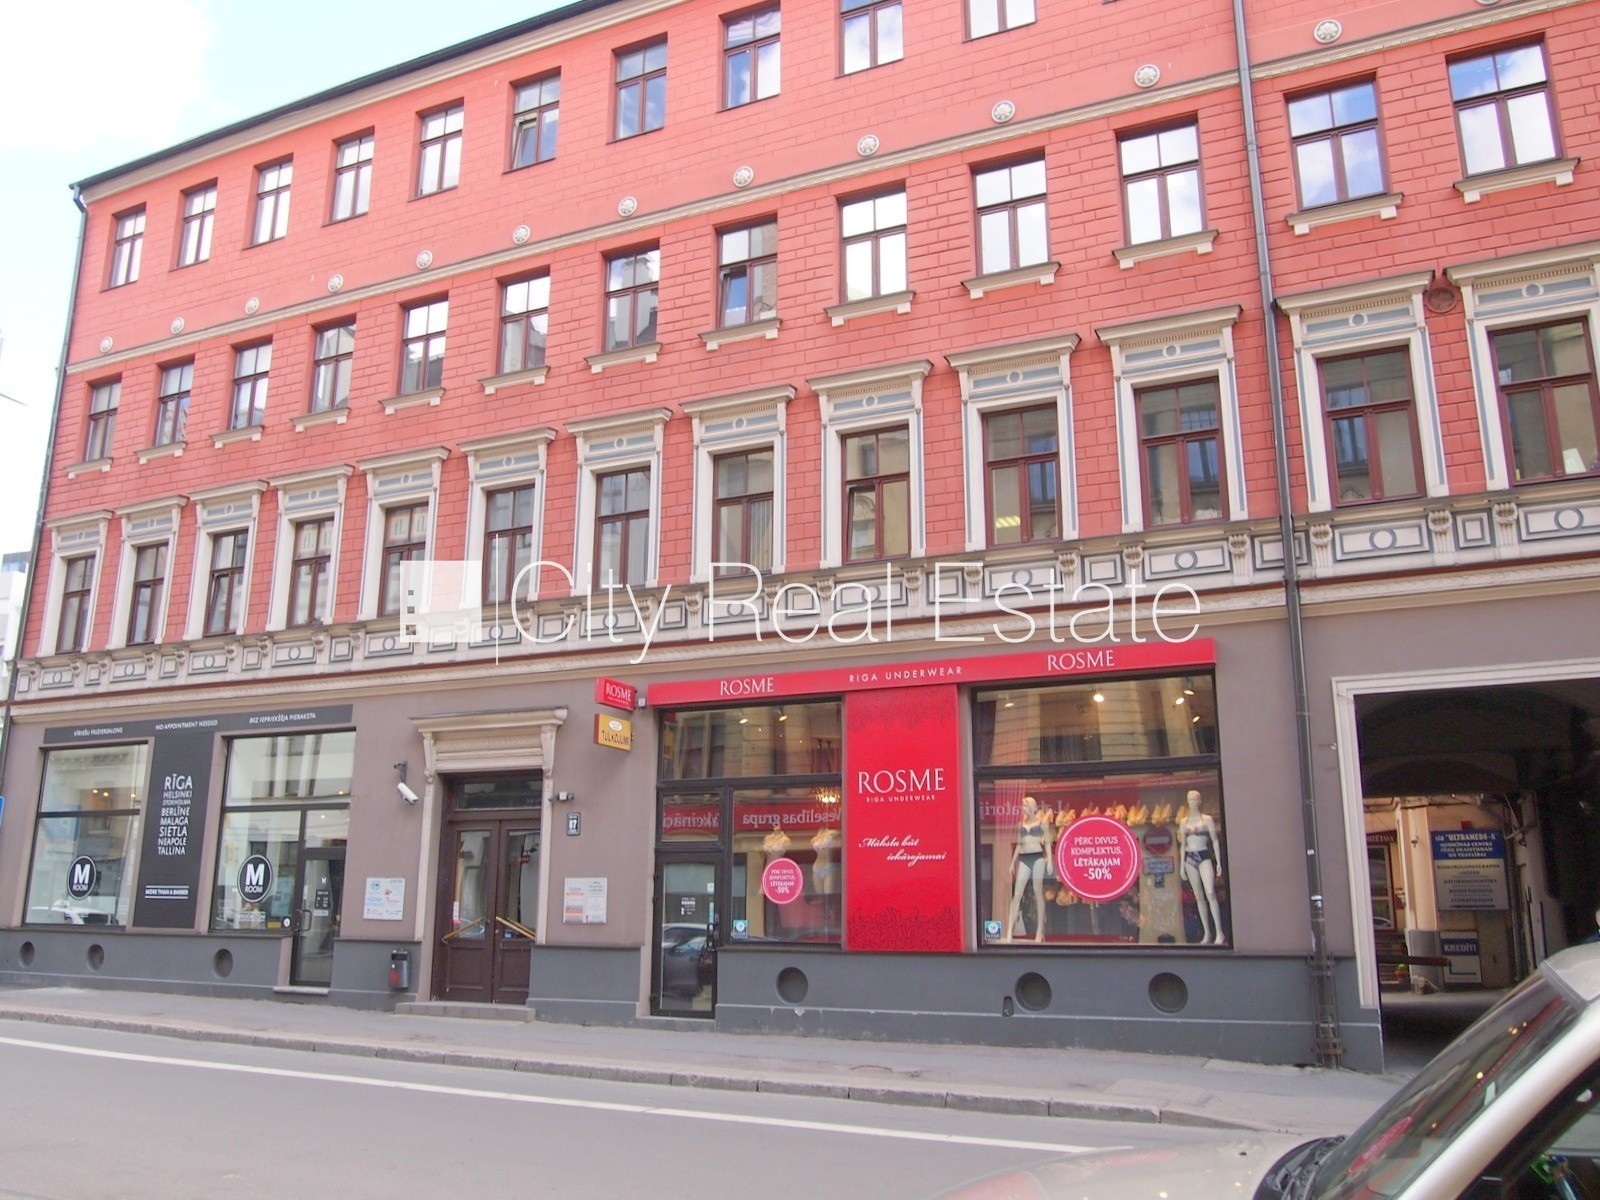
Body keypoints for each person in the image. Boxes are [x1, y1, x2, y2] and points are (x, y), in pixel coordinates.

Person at [1179, 789, 1226, 945]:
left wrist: (1218, 862)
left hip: (1204, 854)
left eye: (1195, 799)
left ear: (1199, 801)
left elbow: (1215, 841)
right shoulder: (1183, 821)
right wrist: (1181, 866)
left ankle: (1219, 932)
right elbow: (1183, 845)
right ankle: (1207, 933)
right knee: (1198, 896)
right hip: (1189, 856)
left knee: (1210, 893)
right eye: (1190, 800)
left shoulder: (1207, 819)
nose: (1192, 802)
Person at [1006, 795, 1053, 943]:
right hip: (1024, 858)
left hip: (1037, 857)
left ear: (1032, 807)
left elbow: (1047, 842)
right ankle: (1009, 929)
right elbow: (1019, 844)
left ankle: (1039, 930)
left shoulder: (1042, 822)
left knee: (1037, 892)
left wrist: (1050, 861)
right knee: (1017, 894)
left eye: (1025, 806)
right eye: (1022, 806)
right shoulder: (1021, 824)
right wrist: (1012, 862)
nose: (1023, 808)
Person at [811, 827, 838, 895]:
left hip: (828, 867)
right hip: (816, 867)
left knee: (828, 894)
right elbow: (812, 843)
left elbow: (837, 832)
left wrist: (826, 832)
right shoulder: (814, 839)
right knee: (819, 894)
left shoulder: (830, 835)